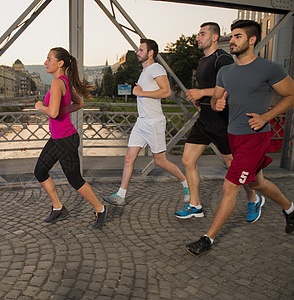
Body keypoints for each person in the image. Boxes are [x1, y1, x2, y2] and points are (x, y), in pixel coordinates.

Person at [186, 20, 294, 256]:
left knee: (229, 185)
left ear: (252, 40)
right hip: (233, 135)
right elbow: (215, 100)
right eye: (232, 36)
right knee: (255, 182)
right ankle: (290, 208)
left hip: (255, 136)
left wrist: (266, 116)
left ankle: (207, 239)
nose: (232, 40)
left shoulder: (270, 68)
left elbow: (291, 95)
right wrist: (218, 103)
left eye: (237, 37)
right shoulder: (225, 71)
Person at [175, 22, 259, 222]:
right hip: (204, 119)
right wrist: (199, 99)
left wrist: (202, 92)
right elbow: (211, 88)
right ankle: (195, 205)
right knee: (187, 160)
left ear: (214, 37)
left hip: (222, 121)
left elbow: (231, 85)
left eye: (202, 34)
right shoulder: (204, 61)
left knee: (234, 165)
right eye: (198, 33)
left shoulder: (222, 59)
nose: (198, 37)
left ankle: (254, 198)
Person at [103, 38, 190, 206]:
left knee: (160, 161)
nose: (137, 53)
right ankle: (121, 195)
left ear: (151, 53)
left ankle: (186, 183)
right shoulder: (144, 72)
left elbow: (166, 92)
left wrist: (141, 92)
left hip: (154, 122)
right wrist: (141, 91)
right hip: (142, 122)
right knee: (129, 158)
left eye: (141, 50)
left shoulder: (156, 68)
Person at [34, 47, 110, 229]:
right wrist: (60, 110)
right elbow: (80, 103)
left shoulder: (57, 83)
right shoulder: (63, 82)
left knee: (75, 179)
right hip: (58, 137)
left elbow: (52, 113)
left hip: (65, 139)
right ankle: (58, 207)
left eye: (48, 58)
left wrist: (40, 106)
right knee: (40, 171)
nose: (45, 62)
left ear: (60, 63)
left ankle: (100, 209)